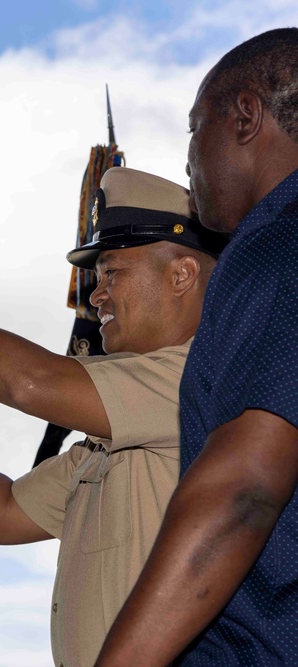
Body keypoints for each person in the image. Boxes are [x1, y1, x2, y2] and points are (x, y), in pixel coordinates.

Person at [0, 167, 227, 667]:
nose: (97, 296)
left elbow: (29, 382)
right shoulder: (119, 426)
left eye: (112, 273)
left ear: (182, 274)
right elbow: (0, 512)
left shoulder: (202, 379)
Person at [96, 28, 298, 665]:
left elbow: (244, 489)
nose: (187, 158)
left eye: (193, 126)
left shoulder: (277, 245)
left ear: (244, 117)